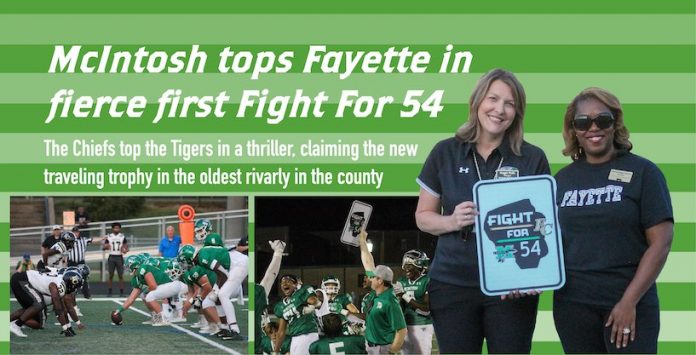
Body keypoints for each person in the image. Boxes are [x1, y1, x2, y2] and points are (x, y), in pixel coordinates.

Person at [415, 68, 550, 353]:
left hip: (511, 288)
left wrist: (532, 275)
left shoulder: (532, 158)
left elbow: (543, 226)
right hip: (453, 284)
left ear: (518, 112)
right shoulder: (445, 152)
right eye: (493, 99)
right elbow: (422, 216)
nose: (499, 109)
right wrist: (452, 220)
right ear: (477, 102)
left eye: (510, 103)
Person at [553, 87, 673, 353]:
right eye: (583, 122)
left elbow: (661, 243)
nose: (593, 128)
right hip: (573, 307)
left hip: (630, 303)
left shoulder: (644, 172)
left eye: (603, 120)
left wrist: (629, 302)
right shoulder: (561, 181)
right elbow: (549, 241)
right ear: (574, 129)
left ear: (615, 123)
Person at [358, 230, 407, 354]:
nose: (369, 278)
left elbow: (401, 330)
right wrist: (362, 241)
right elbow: (368, 263)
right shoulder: (377, 292)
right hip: (370, 345)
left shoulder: (390, 301)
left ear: (380, 280)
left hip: (383, 348)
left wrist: (391, 352)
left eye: (373, 277)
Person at [393, 250, 433, 355]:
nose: (406, 268)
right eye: (405, 265)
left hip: (422, 325)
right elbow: (399, 308)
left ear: (419, 266)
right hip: (405, 326)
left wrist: (403, 295)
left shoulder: (427, 280)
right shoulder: (402, 281)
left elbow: (426, 309)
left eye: (409, 265)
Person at [104, 222, 128, 297]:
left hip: (119, 256)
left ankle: (121, 292)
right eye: (115, 228)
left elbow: (126, 247)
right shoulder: (109, 236)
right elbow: (104, 247)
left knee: (120, 275)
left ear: (120, 229)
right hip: (111, 256)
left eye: (118, 228)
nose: (116, 229)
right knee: (111, 275)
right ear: (112, 228)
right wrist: (106, 246)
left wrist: (125, 250)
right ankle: (109, 291)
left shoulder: (122, 237)